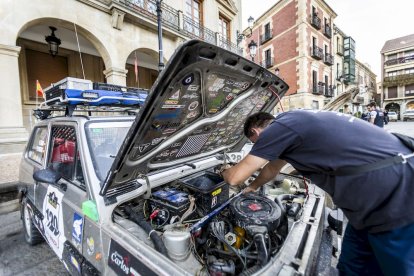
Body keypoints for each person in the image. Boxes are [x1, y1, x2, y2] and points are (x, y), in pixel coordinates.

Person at [222, 110, 414, 276]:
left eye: (254, 143)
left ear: (255, 132)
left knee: (397, 267)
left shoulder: (278, 129)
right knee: (353, 265)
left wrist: (225, 169)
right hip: (367, 200)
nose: (258, 147)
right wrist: (253, 187)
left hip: (394, 194)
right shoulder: (291, 122)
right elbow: (272, 169)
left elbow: (234, 178)